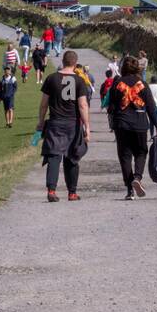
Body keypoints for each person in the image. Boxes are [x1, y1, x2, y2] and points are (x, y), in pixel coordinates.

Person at [36, 50, 92, 201]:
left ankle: (52, 191)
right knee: (72, 157)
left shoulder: (51, 78)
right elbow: (82, 105)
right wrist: (87, 127)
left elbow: (43, 105)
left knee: (54, 156)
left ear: (63, 60)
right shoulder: (80, 81)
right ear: (75, 63)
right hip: (72, 124)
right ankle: (72, 192)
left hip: (55, 123)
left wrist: (41, 122)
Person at [106, 55, 157, 199]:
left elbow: (111, 107)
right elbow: (151, 108)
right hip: (140, 123)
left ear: (122, 68)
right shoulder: (142, 84)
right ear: (137, 68)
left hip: (122, 124)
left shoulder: (117, 83)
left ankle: (129, 190)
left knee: (125, 156)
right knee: (141, 152)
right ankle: (137, 178)